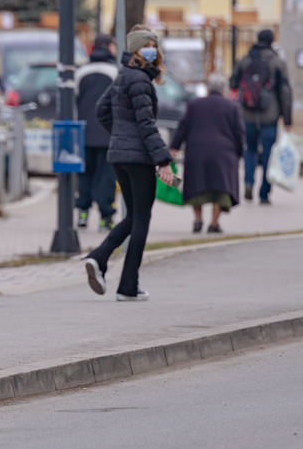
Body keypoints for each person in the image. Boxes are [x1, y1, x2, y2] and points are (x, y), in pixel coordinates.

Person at [82, 27, 176, 302]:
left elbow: (102, 110)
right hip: (137, 158)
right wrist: (163, 161)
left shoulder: (123, 76)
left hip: (120, 157)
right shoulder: (140, 81)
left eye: (154, 46)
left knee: (133, 216)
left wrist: (121, 137)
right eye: (147, 46)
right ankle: (127, 285)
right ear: (135, 50)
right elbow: (146, 125)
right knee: (141, 219)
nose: (152, 51)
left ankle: (99, 258)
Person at [170, 72, 245, 234]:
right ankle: (214, 223)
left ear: (208, 88)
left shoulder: (194, 104)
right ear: (223, 89)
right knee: (220, 190)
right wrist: (239, 152)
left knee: (196, 186)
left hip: (197, 151)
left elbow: (182, 127)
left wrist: (174, 147)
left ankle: (198, 220)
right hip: (224, 153)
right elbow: (239, 132)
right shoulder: (232, 107)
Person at [229, 29, 293, 205]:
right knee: (268, 153)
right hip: (269, 115)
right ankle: (264, 192)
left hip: (247, 113)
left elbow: (233, 83)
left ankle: (248, 182)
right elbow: (285, 92)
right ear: (272, 41)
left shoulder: (244, 60)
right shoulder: (277, 63)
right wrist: (287, 119)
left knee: (249, 150)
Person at [75, 34, 119, 232]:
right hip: (107, 134)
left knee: (85, 175)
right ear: (108, 47)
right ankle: (105, 217)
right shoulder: (114, 72)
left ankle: (82, 213)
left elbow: (75, 100)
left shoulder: (81, 72)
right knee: (106, 177)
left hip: (84, 133)